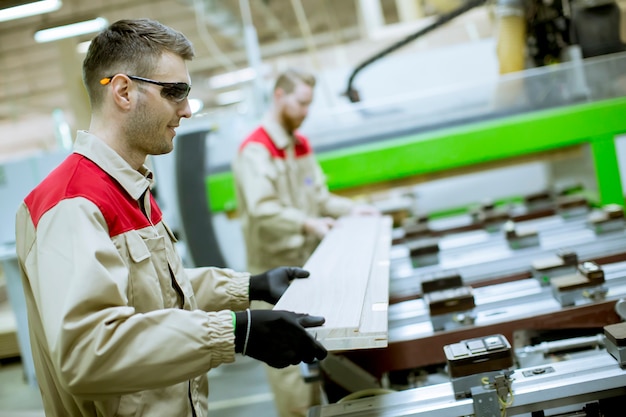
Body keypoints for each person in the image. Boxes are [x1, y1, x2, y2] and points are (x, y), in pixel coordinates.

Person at [14, 19, 327, 417]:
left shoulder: (131, 187)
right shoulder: (73, 203)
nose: (188, 109)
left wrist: (251, 286)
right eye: (175, 92)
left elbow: (154, 291)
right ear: (124, 91)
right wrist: (234, 333)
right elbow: (88, 353)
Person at [232, 68, 379, 417]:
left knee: (315, 358)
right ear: (279, 96)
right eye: (301, 103)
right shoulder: (256, 150)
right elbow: (261, 210)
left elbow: (319, 198)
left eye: (310, 105)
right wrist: (308, 224)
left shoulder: (300, 146)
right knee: (289, 373)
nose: (305, 112)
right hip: (273, 280)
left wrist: (357, 210)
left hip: (307, 269)